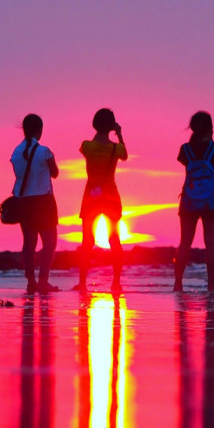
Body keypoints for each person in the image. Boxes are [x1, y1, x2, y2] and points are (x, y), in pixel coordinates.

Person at [77, 108, 128, 292]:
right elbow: (125, 155)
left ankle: (82, 283)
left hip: (91, 196)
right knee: (114, 239)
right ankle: (116, 283)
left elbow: (86, 148)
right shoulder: (116, 148)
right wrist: (119, 134)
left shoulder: (87, 146)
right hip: (112, 197)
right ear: (111, 125)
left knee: (87, 241)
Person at [174, 111, 214, 292]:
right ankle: (211, 285)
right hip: (211, 199)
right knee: (211, 243)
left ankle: (178, 283)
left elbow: (184, 162)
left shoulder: (185, 149)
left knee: (184, 242)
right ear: (210, 127)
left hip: (189, 199)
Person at [11, 114, 60, 293]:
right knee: (50, 243)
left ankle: (31, 282)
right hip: (44, 202)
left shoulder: (16, 152)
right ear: (40, 130)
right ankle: (43, 281)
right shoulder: (44, 151)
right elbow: (55, 173)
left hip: (24, 202)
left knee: (29, 243)